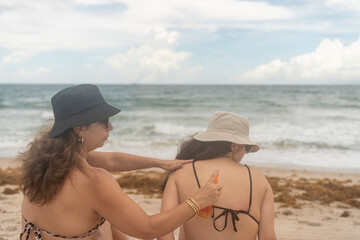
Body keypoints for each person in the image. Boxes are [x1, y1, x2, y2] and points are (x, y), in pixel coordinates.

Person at [18, 84, 222, 240]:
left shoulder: (45, 161)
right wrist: (199, 200)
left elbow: (112, 159)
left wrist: (158, 163)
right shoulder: (94, 180)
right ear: (79, 128)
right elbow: (148, 229)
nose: (111, 127)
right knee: (108, 220)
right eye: (105, 121)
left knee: (109, 220)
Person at [158, 111, 277, 240]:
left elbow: (163, 231)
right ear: (234, 146)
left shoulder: (181, 173)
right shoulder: (259, 179)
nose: (246, 153)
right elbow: (268, 237)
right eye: (246, 148)